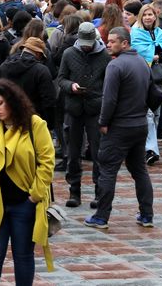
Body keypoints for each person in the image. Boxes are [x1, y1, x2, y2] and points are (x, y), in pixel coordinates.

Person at [0, 78, 55, 286]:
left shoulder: (34, 125)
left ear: (12, 100)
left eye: (0, 103)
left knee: (23, 256)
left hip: (24, 203)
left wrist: (35, 196)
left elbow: (47, 162)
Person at [85, 26, 155, 230]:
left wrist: (103, 122)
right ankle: (147, 214)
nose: (108, 44)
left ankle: (101, 216)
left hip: (119, 127)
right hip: (139, 124)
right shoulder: (142, 62)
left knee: (107, 171)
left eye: (113, 41)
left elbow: (109, 99)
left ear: (125, 43)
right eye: (108, 40)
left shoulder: (115, 66)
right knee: (140, 171)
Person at [55, 22, 108, 208]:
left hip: (95, 108)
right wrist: (71, 86)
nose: (86, 45)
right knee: (73, 152)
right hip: (74, 108)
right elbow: (60, 78)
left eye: (89, 42)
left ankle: (98, 192)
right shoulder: (69, 53)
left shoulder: (104, 55)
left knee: (97, 152)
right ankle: (74, 191)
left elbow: (108, 82)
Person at [130, 4, 162, 164]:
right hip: (142, 77)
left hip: (158, 77)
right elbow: (136, 50)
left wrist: (157, 53)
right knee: (148, 113)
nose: (148, 17)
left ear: (155, 16)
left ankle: (147, 145)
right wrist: (155, 54)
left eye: (151, 14)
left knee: (155, 113)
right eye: (145, 14)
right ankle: (151, 149)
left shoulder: (160, 33)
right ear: (141, 17)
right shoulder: (135, 33)